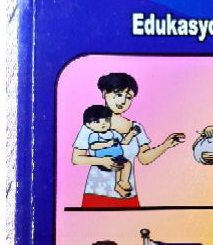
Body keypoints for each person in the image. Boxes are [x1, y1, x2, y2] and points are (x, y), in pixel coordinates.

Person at [71, 72, 185, 208]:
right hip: (97, 193)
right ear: (104, 93)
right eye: (118, 94)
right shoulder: (92, 125)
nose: (123, 101)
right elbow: (77, 159)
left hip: (128, 195)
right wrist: (102, 161)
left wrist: (166, 145)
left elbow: (144, 158)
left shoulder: (136, 128)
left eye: (129, 97)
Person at [81, 105, 136, 198]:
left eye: (106, 120)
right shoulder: (94, 135)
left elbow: (124, 142)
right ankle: (121, 182)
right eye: (97, 122)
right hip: (104, 159)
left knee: (126, 164)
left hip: (118, 157)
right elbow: (93, 146)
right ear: (88, 125)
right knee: (121, 166)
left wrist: (131, 134)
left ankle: (120, 184)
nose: (103, 124)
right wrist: (107, 144)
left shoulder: (113, 133)